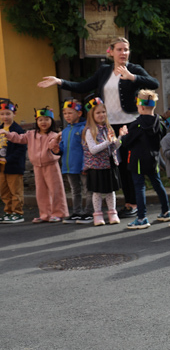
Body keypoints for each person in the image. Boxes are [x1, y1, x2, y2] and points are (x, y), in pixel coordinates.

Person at [38, 37, 160, 218]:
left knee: (130, 164)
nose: (123, 53)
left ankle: (133, 203)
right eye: (119, 49)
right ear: (111, 52)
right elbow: (82, 86)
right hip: (109, 126)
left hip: (130, 124)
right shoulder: (104, 71)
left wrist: (132, 77)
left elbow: (154, 83)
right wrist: (59, 81)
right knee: (117, 165)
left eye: (126, 50)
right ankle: (124, 203)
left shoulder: (134, 69)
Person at [3, 107, 68, 223]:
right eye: (40, 120)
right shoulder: (31, 134)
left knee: (55, 190)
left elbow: (53, 147)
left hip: (51, 166)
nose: (43, 122)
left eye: (47, 119)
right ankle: (45, 214)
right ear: (36, 121)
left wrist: (56, 139)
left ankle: (58, 213)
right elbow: (19, 138)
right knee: (41, 192)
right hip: (37, 167)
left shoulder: (53, 135)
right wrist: (7, 134)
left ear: (52, 121)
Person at [118, 90, 170, 230]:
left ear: (141, 107)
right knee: (157, 184)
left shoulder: (136, 124)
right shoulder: (160, 123)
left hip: (137, 160)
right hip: (154, 158)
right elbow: (162, 137)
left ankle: (142, 218)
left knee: (139, 187)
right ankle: (166, 211)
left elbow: (126, 143)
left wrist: (123, 135)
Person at [81, 98, 122, 226]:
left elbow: (113, 147)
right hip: (96, 166)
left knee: (110, 191)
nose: (101, 115)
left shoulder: (108, 128)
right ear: (91, 115)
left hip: (109, 164)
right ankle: (98, 214)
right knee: (97, 192)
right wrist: (108, 142)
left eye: (103, 112)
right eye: (98, 113)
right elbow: (93, 150)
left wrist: (120, 137)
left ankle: (112, 213)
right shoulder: (89, 131)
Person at [57, 99, 92, 223]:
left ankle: (89, 212)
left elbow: (87, 149)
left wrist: (85, 165)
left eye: (70, 113)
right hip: (69, 166)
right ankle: (76, 212)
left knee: (88, 189)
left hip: (83, 166)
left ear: (79, 113)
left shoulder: (84, 129)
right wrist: (56, 149)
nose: (67, 116)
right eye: (65, 113)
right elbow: (62, 148)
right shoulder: (65, 131)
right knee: (75, 190)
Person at [0, 98, 26, 223]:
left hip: (13, 165)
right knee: (4, 190)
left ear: (14, 113)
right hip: (1, 166)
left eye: (8, 114)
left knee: (15, 190)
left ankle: (17, 212)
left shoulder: (17, 129)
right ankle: (8, 211)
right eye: (2, 114)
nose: (5, 117)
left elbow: (21, 149)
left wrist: (8, 159)